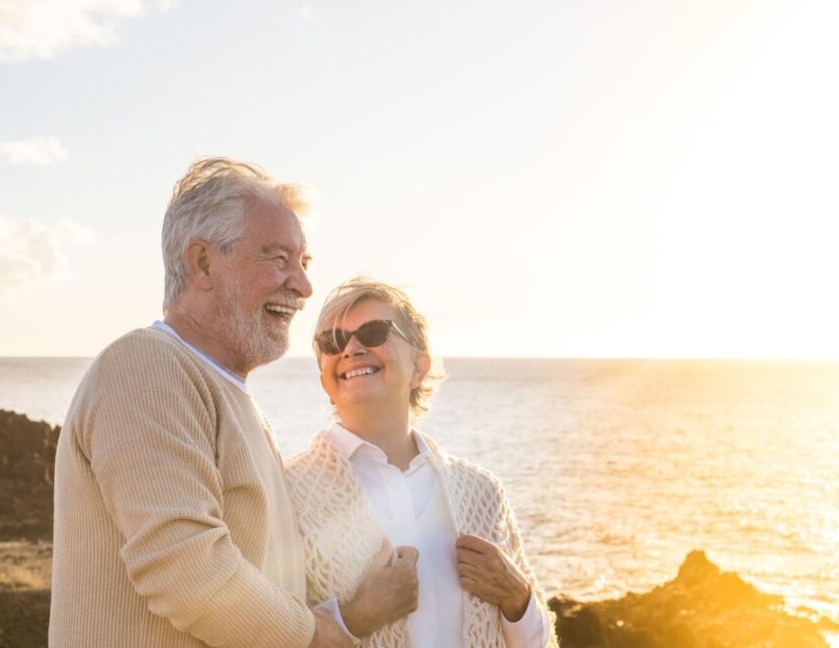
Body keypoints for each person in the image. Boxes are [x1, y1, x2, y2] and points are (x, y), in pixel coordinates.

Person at [49, 159, 409, 648]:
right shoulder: (146, 365)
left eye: (304, 264)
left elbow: (267, 591)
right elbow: (186, 568)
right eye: (278, 258)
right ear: (202, 263)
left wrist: (351, 616)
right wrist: (320, 639)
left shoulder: (233, 399)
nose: (302, 287)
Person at [285, 278, 559, 647]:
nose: (350, 348)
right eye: (331, 342)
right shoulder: (286, 491)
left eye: (373, 331)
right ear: (323, 377)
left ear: (420, 366)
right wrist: (355, 618)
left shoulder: (481, 492)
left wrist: (518, 598)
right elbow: (261, 634)